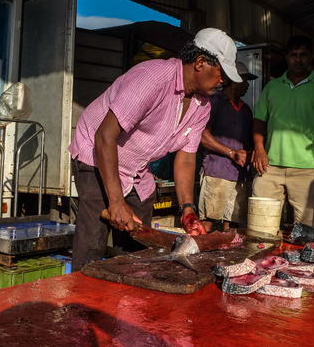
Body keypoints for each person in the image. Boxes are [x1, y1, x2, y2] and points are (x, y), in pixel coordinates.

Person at [69, 27, 243, 271]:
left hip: (136, 169)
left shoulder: (203, 104)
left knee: (140, 251)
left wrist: (188, 210)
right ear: (201, 63)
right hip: (97, 153)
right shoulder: (152, 78)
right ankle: (83, 303)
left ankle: (126, 303)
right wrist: (117, 202)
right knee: (92, 247)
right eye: (222, 74)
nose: (224, 82)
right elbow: (104, 135)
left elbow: (185, 157)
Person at [252, 35, 314, 229]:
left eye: (303, 54)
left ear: (311, 57)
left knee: (306, 232)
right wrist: (259, 148)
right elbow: (259, 121)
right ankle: (266, 260)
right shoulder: (272, 87)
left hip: (308, 169)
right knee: (262, 226)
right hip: (270, 166)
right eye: (294, 55)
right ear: (287, 57)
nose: (298, 59)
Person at [198, 61, 257, 232]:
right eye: (245, 80)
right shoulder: (214, 102)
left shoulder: (246, 110)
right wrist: (231, 153)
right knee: (207, 222)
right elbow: (203, 136)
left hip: (241, 176)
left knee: (233, 226)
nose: (247, 85)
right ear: (234, 79)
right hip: (217, 173)